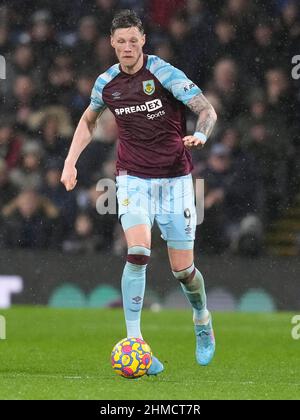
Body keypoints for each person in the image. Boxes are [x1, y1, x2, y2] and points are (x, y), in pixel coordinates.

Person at [61, 10, 217, 375]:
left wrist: (202, 135)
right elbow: (88, 121)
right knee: (137, 250)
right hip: (132, 179)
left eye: (134, 40)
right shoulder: (106, 83)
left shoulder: (164, 74)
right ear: (112, 43)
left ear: (143, 40)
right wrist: (71, 163)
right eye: (121, 41)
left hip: (175, 179)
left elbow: (205, 110)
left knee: (184, 272)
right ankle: (136, 341)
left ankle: (202, 318)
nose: (128, 47)